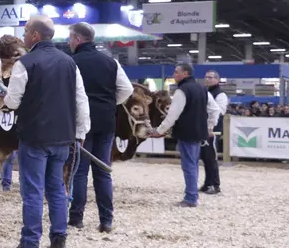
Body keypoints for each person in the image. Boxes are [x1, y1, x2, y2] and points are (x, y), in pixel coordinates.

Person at [0, 15, 90, 248]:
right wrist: (80, 133)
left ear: (35, 36)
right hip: (63, 138)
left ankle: (29, 245)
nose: (24, 35)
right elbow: (81, 100)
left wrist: (3, 95)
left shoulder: (25, 63)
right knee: (57, 189)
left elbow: (13, 101)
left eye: (26, 31)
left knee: (32, 191)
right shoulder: (70, 63)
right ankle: (58, 241)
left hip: (34, 137)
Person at [67, 22, 133, 233]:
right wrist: (109, 102)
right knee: (103, 171)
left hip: (80, 123)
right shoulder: (111, 63)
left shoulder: (71, 62)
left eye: (70, 38)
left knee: (79, 172)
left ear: (78, 39)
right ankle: (106, 220)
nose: (69, 42)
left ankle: (76, 218)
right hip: (106, 122)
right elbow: (126, 90)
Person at [149, 63, 220, 207]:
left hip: (186, 133)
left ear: (185, 74)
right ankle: (192, 195)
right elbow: (215, 110)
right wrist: (209, 127)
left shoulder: (182, 91)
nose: (174, 75)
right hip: (199, 133)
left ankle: (191, 198)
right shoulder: (202, 89)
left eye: (177, 72)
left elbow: (172, 116)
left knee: (189, 166)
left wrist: (159, 131)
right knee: (193, 164)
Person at [200, 70, 228, 195]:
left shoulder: (220, 94)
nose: (207, 79)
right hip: (204, 128)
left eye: (210, 77)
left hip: (214, 129)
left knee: (212, 158)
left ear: (217, 79)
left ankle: (215, 185)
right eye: (206, 77)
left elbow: (220, 111)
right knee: (206, 157)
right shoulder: (205, 92)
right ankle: (207, 184)